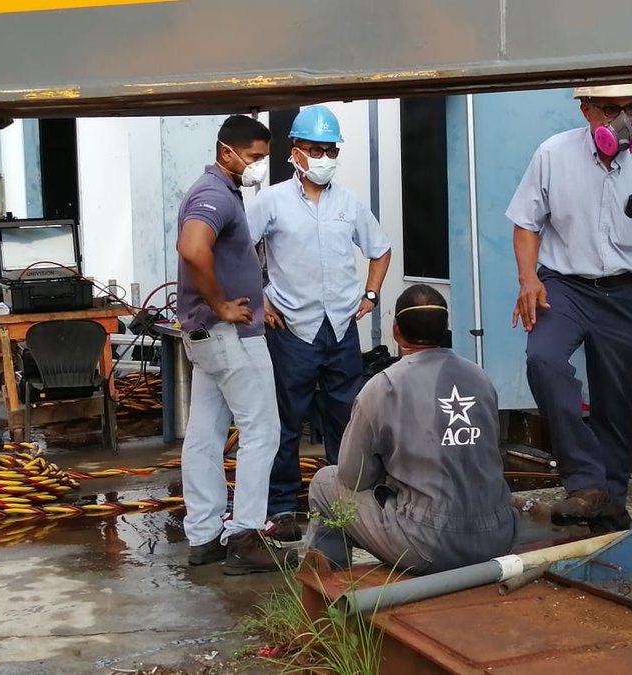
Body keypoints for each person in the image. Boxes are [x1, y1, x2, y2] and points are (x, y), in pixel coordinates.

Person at [506, 84, 632, 533]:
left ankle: (609, 507)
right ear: (586, 110)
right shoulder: (553, 154)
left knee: (616, 402)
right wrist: (528, 279)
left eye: (629, 108)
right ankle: (585, 481)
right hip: (564, 286)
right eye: (610, 110)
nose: (623, 120)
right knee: (544, 361)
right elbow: (525, 223)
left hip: (626, 291)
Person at [248, 105, 392, 542]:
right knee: (285, 420)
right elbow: (239, 252)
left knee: (345, 420)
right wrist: (260, 300)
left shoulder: (349, 203)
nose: (324, 158)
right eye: (315, 150)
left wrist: (370, 295)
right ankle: (281, 506)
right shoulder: (271, 201)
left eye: (331, 150)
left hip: (341, 328)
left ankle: (345, 504)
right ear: (295, 151)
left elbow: (380, 249)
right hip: (291, 328)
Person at [305, 284, 518, 573]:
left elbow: (353, 477)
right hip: (499, 536)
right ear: (444, 329)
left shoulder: (384, 386)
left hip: (429, 545)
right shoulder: (480, 377)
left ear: (395, 330)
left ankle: (330, 585)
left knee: (325, 483)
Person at [176, 115, 295, 574]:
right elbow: (193, 248)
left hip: (209, 339)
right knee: (261, 431)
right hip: (230, 335)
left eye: (263, 157)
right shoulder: (213, 195)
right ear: (226, 152)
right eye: (253, 157)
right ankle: (246, 537)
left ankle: (204, 535)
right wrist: (221, 304)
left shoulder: (220, 192)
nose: (259, 165)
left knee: (205, 435)